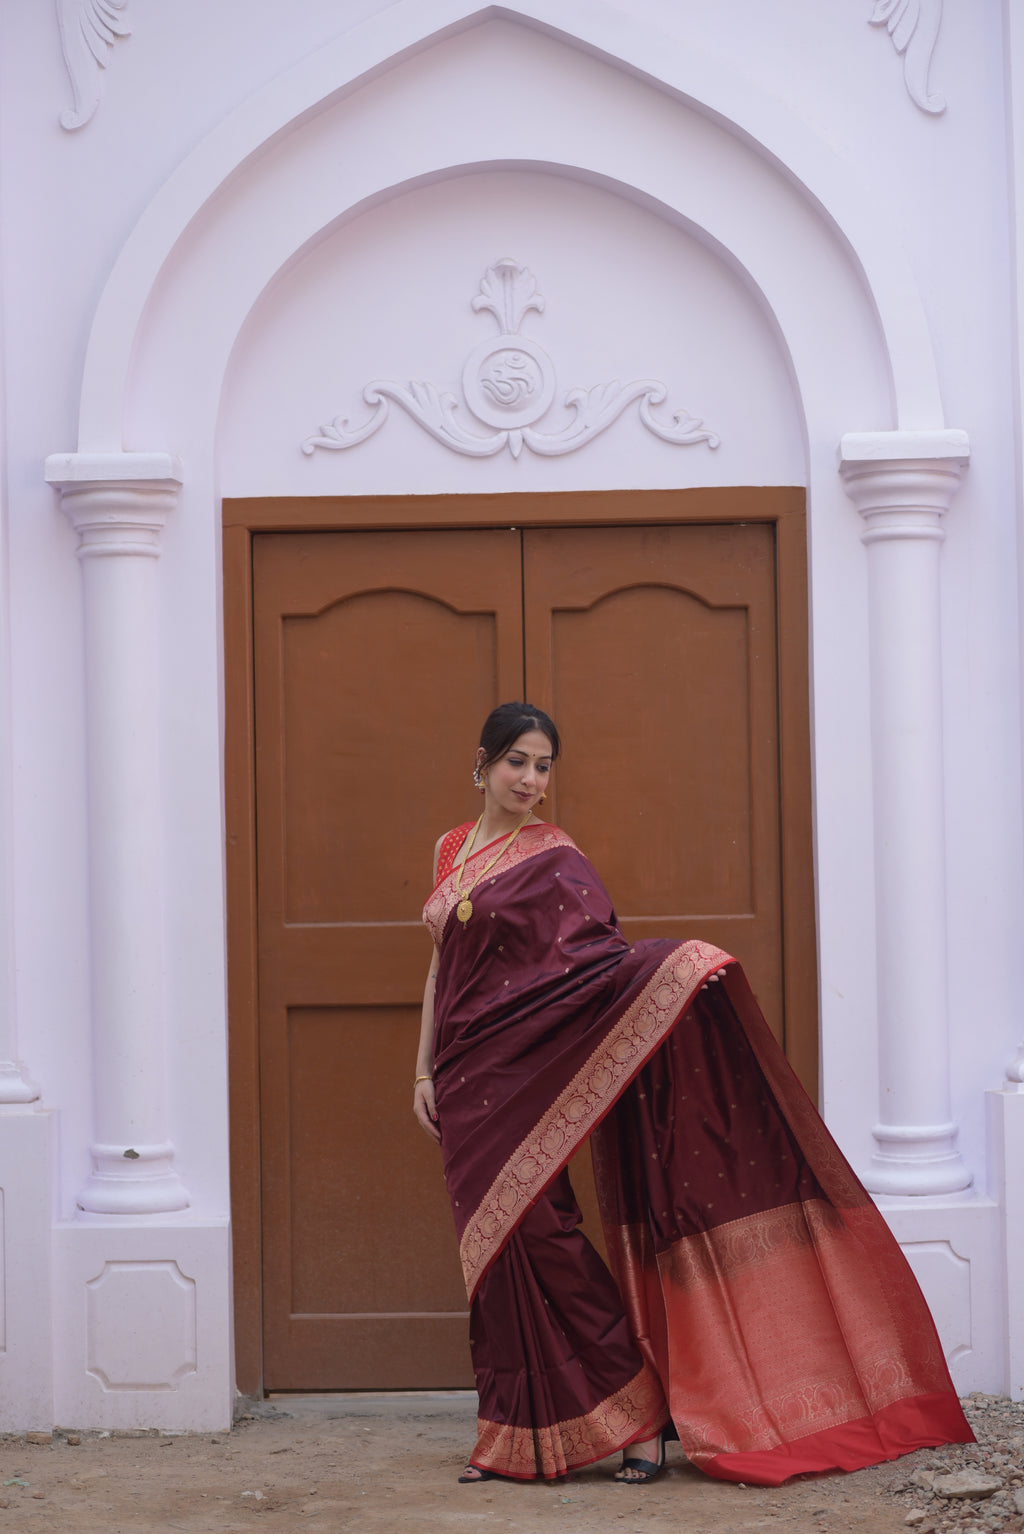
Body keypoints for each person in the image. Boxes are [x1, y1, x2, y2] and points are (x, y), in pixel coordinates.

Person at [413, 702, 972, 1487]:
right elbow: (441, 970)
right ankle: (511, 1434)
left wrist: (675, 970)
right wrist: (423, 1070)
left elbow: (591, 964)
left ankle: (638, 1418)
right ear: (484, 761)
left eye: (543, 766)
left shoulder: (555, 857)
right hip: (465, 1076)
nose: (530, 780)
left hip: (526, 1075)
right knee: (493, 1259)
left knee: (545, 1235)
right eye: (517, 762)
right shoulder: (448, 851)